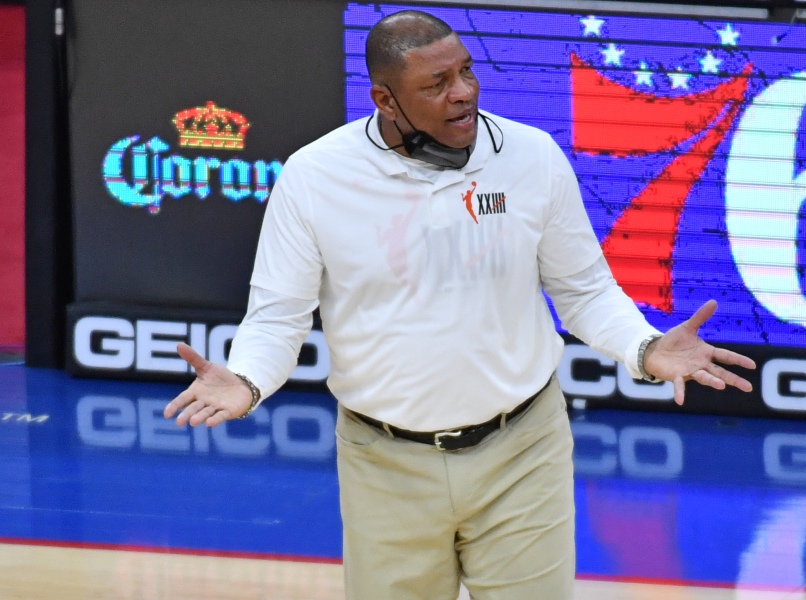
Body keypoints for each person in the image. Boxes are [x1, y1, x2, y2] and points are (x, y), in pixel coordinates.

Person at [164, 9, 756, 600]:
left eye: (466, 72)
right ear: (385, 100)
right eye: (436, 84)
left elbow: (584, 291)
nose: (464, 93)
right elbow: (278, 315)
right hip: (384, 463)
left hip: (524, 451)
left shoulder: (531, 157)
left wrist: (644, 347)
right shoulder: (316, 176)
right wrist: (247, 379)